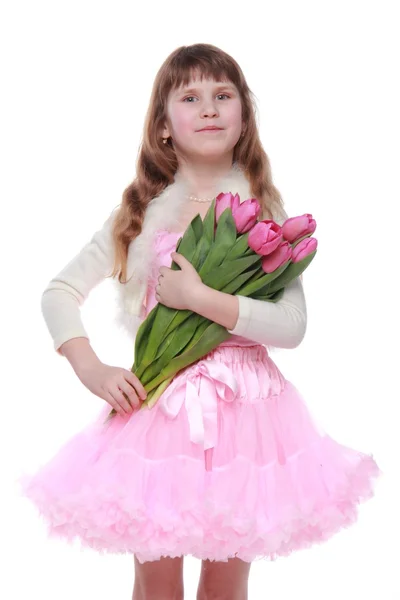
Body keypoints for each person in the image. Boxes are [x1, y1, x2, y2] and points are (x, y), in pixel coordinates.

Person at [19, 43, 382, 600]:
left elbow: (291, 326)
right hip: (161, 412)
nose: (209, 108)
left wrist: (199, 296)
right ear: (165, 126)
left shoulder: (264, 215)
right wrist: (89, 366)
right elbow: (59, 292)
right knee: (156, 581)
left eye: (222, 95)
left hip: (249, 421)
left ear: (242, 118)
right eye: (190, 97)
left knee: (226, 584)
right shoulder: (138, 214)